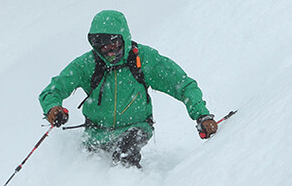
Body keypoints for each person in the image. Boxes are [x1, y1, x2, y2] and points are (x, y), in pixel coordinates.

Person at [39, 10, 217, 168]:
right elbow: (53, 90)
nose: (109, 51)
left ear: (123, 38)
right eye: (103, 46)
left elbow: (182, 85)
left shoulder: (143, 59)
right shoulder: (88, 64)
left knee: (124, 159)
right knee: (87, 170)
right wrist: (52, 108)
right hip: (96, 133)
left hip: (135, 128)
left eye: (113, 45)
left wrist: (202, 115)